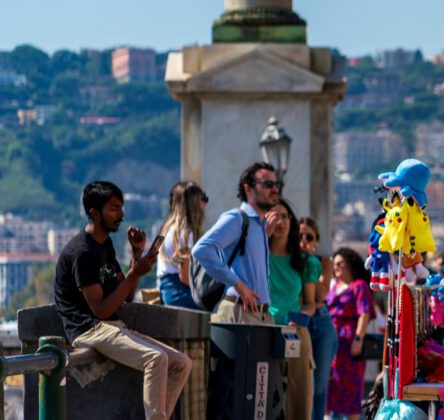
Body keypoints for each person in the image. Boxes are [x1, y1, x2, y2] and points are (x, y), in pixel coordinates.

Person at [54, 181, 192, 420]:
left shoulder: (104, 245)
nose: (121, 214)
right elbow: (101, 309)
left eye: (121, 207)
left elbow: (125, 294)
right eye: (114, 208)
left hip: (108, 325)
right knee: (156, 358)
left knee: (182, 363)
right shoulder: (82, 253)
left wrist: (136, 256)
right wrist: (135, 272)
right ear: (94, 213)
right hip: (88, 329)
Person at [192, 162, 283, 419]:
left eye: (276, 184)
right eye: (267, 184)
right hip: (240, 316)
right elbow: (201, 249)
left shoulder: (257, 226)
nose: (274, 190)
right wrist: (238, 284)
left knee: (255, 400)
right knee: (234, 396)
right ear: (248, 188)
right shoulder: (236, 219)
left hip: (258, 317)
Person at [267, 199, 319, 419]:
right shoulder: (256, 257)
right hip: (263, 332)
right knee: (263, 400)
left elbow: (310, 302)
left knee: (298, 402)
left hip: (295, 334)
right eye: (275, 216)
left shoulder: (306, 261)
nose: (281, 221)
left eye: (285, 216)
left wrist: (300, 317)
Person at [326, 247, 376, 420]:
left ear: (350, 265)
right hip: (330, 343)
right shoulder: (334, 287)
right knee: (329, 388)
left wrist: (358, 339)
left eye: (340, 263)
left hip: (349, 343)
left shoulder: (359, 286)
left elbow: (365, 314)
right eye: (334, 264)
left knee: (351, 389)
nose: (336, 267)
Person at [299, 216, 339, 420]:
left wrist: (327, 272)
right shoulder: (290, 260)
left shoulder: (320, 264)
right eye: (299, 236)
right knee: (307, 385)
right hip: (300, 319)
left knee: (320, 385)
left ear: (315, 242)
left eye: (309, 237)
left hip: (321, 321)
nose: (303, 241)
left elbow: (320, 296)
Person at [156, 181, 207, 309]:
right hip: (179, 291)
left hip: (167, 290)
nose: (205, 203)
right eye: (203, 198)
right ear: (195, 204)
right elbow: (184, 276)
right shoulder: (185, 233)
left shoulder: (169, 229)